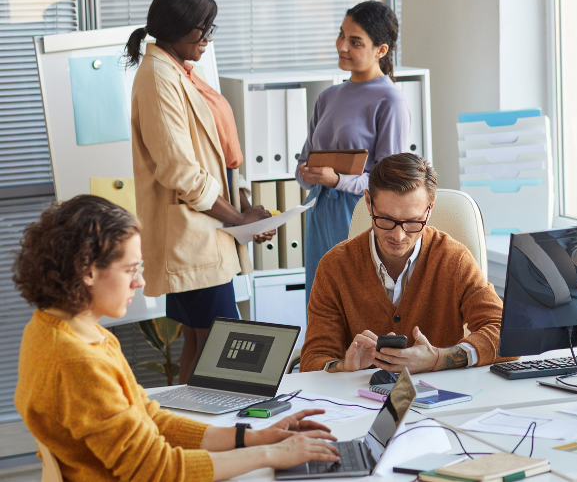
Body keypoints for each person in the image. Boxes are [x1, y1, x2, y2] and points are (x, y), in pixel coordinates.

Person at [13, 196, 339, 481]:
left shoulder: (60, 328)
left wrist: (256, 438)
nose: (140, 282)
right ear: (88, 271)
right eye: (130, 269)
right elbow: (159, 470)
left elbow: (150, 418)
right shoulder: (77, 360)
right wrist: (271, 455)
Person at [127, 0, 274, 384]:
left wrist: (242, 209)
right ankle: (208, 435)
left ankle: (188, 437)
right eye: (202, 29)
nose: (208, 38)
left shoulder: (183, 72)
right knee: (223, 348)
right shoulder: (159, 77)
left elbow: (220, 154)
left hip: (205, 233)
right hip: (193, 236)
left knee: (200, 342)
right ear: (176, 28)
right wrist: (238, 221)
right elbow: (181, 171)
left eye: (212, 28)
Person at [300, 153, 509, 373]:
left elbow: (504, 333)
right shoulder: (335, 266)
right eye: (386, 220)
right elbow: (313, 360)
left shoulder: (453, 259)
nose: (398, 236)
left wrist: (440, 358)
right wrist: (343, 366)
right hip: (359, 401)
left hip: (440, 401)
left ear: (429, 210)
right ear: (369, 203)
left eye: (412, 222)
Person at [296, 0, 410, 306]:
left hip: (358, 215)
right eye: (341, 35)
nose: (342, 46)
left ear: (381, 50)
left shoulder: (390, 102)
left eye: (355, 41)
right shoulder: (327, 96)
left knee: (355, 309)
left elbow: (390, 184)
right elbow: (304, 160)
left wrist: (338, 181)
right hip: (319, 212)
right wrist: (306, 173)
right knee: (319, 306)